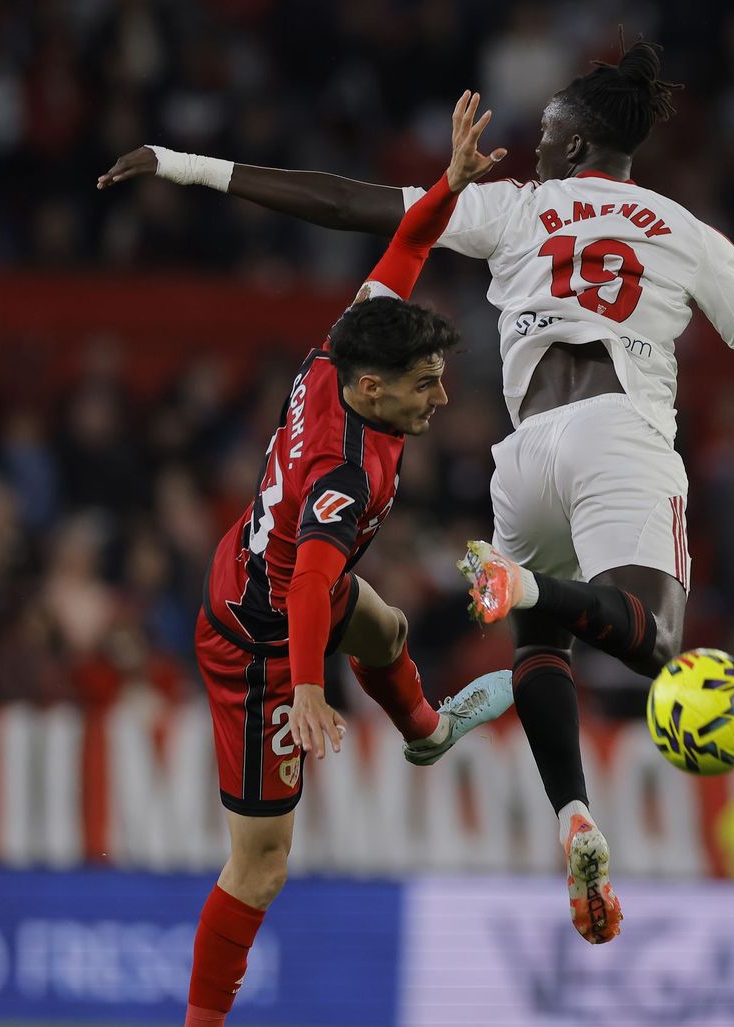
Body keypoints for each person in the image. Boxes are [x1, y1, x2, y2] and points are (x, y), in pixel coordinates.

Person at [99, 42, 734, 947]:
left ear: (577, 149)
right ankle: (529, 597)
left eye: (545, 136)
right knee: (651, 638)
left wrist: (186, 165)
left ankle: (571, 810)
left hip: (525, 452)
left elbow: (348, 204)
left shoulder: (515, 207)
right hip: (618, 430)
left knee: (542, 648)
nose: (535, 150)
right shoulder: (685, 230)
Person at [168, 94, 512, 1027]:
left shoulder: (343, 350)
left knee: (390, 625)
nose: (441, 397)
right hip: (257, 638)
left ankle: (426, 730)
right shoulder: (346, 474)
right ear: (371, 390)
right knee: (262, 863)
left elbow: (403, 250)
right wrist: (307, 689)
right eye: (425, 384)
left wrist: (449, 182)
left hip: (261, 567)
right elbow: (315, 577)